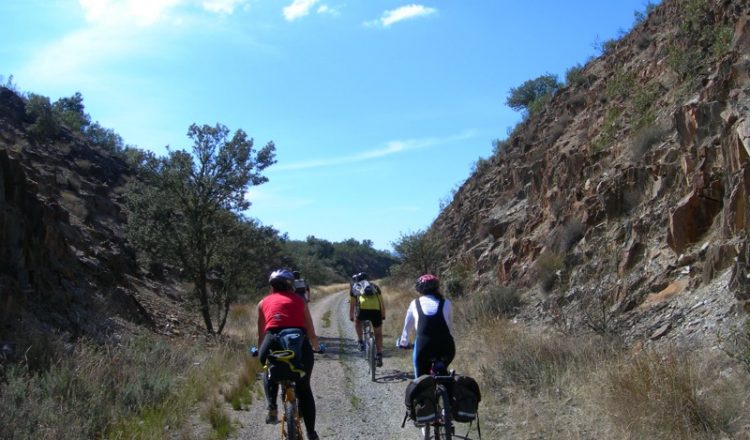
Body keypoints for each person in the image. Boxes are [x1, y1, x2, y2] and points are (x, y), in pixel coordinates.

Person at [257, 269, 321, 440]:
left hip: (272, 342)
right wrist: (316, 346)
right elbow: (311, 331)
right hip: (298, 346)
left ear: (271, 286)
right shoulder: (300, 301)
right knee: (304, 388)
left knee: (268, 369)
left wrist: (259, 351)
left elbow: (262, 335)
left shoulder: (263, 303)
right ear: (290, 285)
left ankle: (272, 406)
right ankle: (311, 433)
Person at [397, 274, 455, 378]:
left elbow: (407, 326)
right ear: (437, 287)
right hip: (447, 347)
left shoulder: (415, 303)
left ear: (419, 289)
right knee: (445, 375)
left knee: (420, 380)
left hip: (424, 347)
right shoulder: (446, 302)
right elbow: (450, 327)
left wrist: (403, 342)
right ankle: (448, 390)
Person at [349, 272, 386, 367]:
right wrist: (383, 315)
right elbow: (381, 302)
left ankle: (360, 341)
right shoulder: (375, 287)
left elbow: (352, 304)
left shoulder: (355, 286)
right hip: (376, 311)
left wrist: (351, 316)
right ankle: (379, 354)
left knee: (358, 322)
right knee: (378, 334)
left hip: (363, 311)